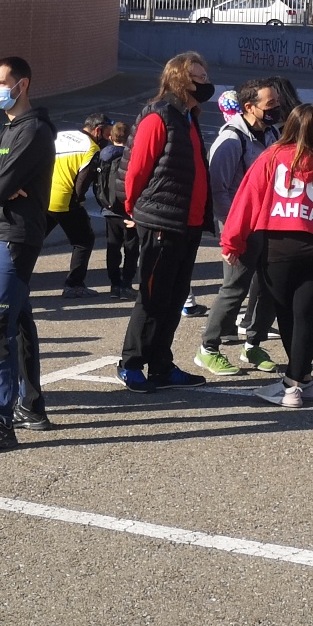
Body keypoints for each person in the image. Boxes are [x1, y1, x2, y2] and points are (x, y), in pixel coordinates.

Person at [220, 103, 313, 408]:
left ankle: (293, 385)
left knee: (286, 315)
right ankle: (303, 379)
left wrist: (232, 242)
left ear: (290, 126)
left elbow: (247, 201)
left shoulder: (272, 157)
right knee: (307, 316)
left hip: (279, 247)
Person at [0, 56, 56, 453]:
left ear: (23, 84)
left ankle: (2, 418)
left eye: (2, 82)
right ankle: (31, 405)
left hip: (17, 237)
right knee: (18, 319)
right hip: (1, 233)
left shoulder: (33, 130)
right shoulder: (8, 129)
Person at [116, 52, 215, 394]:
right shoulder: (159, 116)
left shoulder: (188, 117)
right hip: (161, 221)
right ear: (180, 81)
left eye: (205, 77)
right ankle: (131, 364)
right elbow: (136, 170)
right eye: (199, 78)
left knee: (174, 298)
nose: (206, 84)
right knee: (152, 297)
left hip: (187, 223)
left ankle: (160, 364)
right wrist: (132, 209)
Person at [193, 80, 283, 376]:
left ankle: (253, 344)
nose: (276, 109)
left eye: (276, 102)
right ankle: (208, 348)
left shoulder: (271, 133)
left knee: (268, 286)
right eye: (270, 104)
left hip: (268, 224)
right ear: (249, 107)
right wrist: (234, 231)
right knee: (235, 288)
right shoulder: (231, 141)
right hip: (240, 227)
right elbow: (218, 190)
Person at [49, 117, 105, 299]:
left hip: (44, 197)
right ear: (98, 130)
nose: (108, 137)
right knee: (84, 240)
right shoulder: (92, 148)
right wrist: (79, 201)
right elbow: (82, 182)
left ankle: (16, 281)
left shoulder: (62, 135)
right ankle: (74, 285)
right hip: (65, 201)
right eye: (106, 133)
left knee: (32, 241)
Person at [94, 121, 138, 297]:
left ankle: (114, 285)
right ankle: (126, 284)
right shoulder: (130, 156)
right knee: (131, 248)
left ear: (111, 137)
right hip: (127, 210)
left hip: (109, 209)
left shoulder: (103, 155)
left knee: (113, 247)